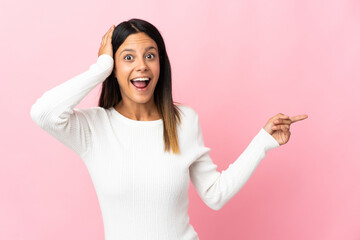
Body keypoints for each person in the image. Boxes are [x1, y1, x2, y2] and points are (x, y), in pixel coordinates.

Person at [30, 18, 308, 240]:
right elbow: (43, 113)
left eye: (150, 55)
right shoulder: (93, 128)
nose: (141, 66)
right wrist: (100, 67)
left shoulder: (184, 121)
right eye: (128, 58)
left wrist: (263, 142)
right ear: (114, 68)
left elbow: (215, 194)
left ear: (161, 63)